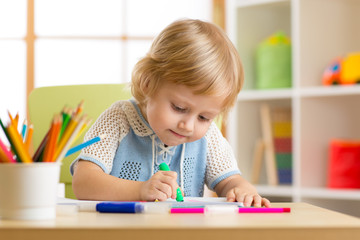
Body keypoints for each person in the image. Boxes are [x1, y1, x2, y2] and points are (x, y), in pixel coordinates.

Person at [71, 19, 271, 207]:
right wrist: (141, 190)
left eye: (204, 117)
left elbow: (230, 181)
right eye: (179, 108)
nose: (188, 125)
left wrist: (243, 189)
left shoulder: (208, 136)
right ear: (147, 83)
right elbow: (83, 183)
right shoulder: (118, 119)